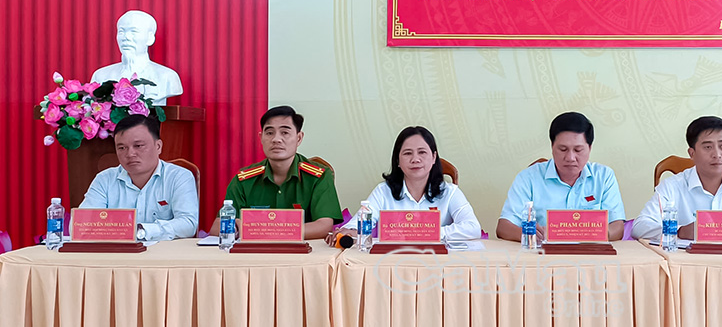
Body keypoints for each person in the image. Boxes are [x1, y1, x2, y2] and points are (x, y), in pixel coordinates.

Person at [328, 126, 481, 244]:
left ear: (434, 157)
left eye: (422, 152)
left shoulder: (450, 192)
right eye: (408, 153)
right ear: (398, 161)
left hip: (437, 263)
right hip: (392, 263)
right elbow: (358, 224)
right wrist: (349, 231)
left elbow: (472, 228)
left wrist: (428, 233)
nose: (415, 159)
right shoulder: (383, 191)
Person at [632, 116, 722, 241]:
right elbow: (640, 227)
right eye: (708, 147)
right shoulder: (672, 186)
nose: (717, 154)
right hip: (687, 261)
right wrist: (681, 231)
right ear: (692, 153)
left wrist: (715, 230)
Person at [211, 106, 342, 239]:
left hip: (303, 250)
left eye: (285, 132)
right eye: (269, 133)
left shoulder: (318, 176)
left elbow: (324, 226)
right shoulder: (244, 179)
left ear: (299, 138)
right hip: (256, 251)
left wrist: (265, 231)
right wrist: (235, 227)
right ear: (261, 138)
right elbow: (217, 227)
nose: (276, 139)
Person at [496, 112, 626, 242]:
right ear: (552, 147)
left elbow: (617, 227)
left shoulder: (603, 177)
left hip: (591, 251)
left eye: (578, 150)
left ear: (589, 148)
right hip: (542, 252)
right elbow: (504, 227)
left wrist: (592, 233)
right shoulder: (528, 178)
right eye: (563, 149)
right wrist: (528, 234)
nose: (570, 158)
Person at [80, 113, 198, 241]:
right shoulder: (104, 180)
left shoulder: (178, 177)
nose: (130, 154)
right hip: (117, 251)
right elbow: (80, 225)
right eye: (122, 148)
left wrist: (141, 230)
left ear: (158, 146)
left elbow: (188, 224)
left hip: (164, 252)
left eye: (138, 146)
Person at [91, 10, 182, 105]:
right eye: (121, 32)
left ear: (150, 38)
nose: (126, 37)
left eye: (134, 31)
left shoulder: (167, 77)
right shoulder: (101, 75)